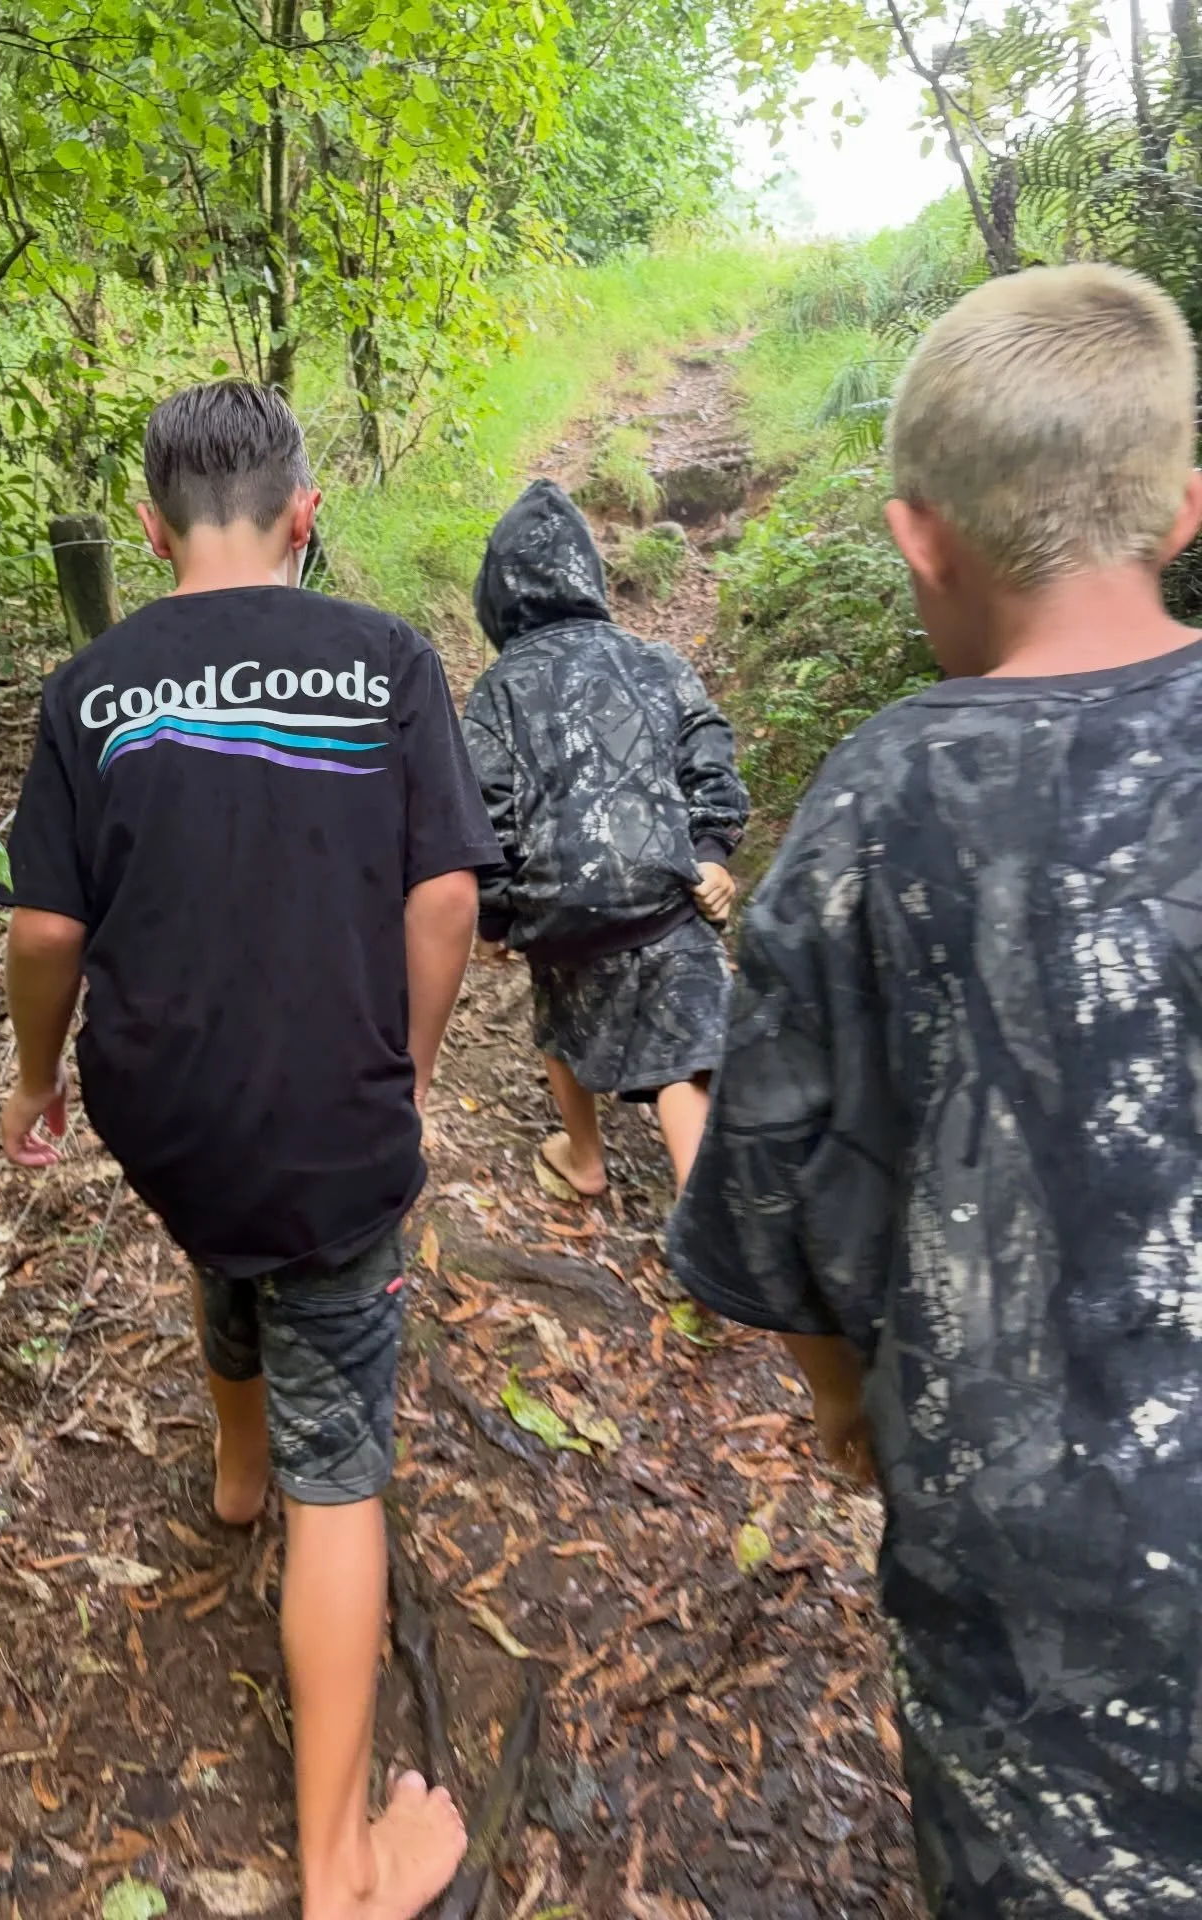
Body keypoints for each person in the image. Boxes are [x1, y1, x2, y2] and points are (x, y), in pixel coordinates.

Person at [670, 262, 1202, 1917]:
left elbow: (772, 1169)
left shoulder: (877, 806)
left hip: (1024, 1586)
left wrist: (841, 1396)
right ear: (1185, 508)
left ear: (919, 536)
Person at [0, 380, 499, 1920]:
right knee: (339, 1474)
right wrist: (402, 1069)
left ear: (151, 532)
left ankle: (231, 1469)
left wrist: (33, 1086)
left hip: (169, 1117)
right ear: (307, 515)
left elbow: (44, 928)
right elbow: (449, 903)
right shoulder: (390, 661)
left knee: (229, 1222)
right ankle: (343, 1868)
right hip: (331, 1116)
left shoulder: (90, 690)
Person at [460, 479, 749, 1199]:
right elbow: (705, 745)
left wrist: (495, 913)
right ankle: (702, 1215)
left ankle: (584, 1158)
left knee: (562, 1022)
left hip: (564, 909)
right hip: (665, 892)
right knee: (686, 1056)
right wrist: (711, 850)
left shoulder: (498, 689)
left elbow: (484, 803)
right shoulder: (654, 659)